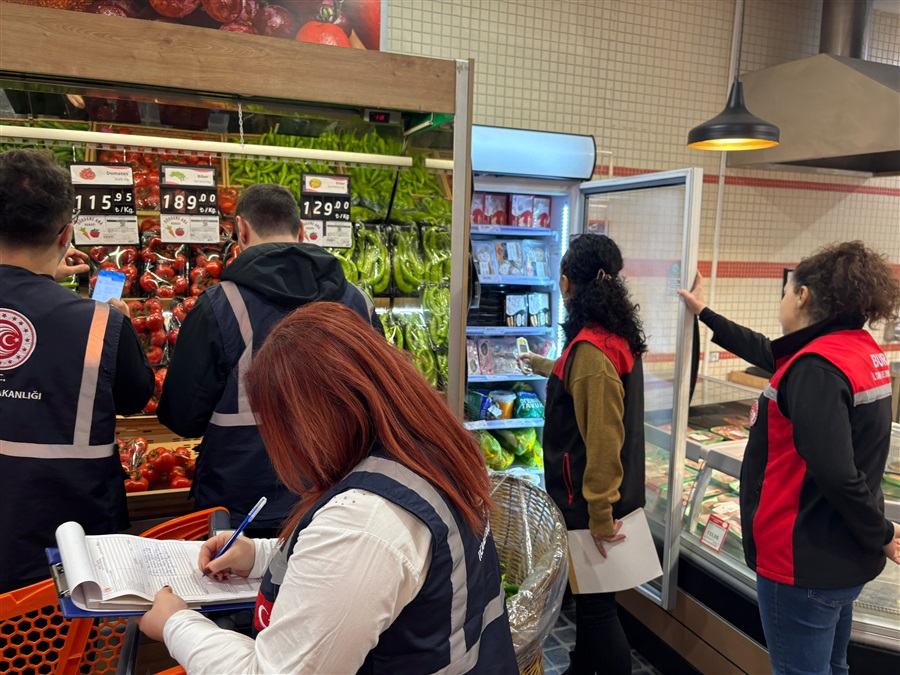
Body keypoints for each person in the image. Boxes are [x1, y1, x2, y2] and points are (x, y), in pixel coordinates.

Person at [139, 302, 518, 674]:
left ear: (310, 421)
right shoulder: (427, 452)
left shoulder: (365, 522)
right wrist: (257, 555)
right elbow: (364, 576)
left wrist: (175, 623)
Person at [678, 241, 900, 675]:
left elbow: (836, 473)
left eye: (785, 292)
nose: (782, 301)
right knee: (833, 667)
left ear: (802, 295)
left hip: (803, 560)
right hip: (841, 555)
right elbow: (769, 352)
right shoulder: (859, 350)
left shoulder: (816, 368)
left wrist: (884, 532)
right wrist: (704, 313)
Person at [157, 183, 382, 536]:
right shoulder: (359, 304)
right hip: (338, 502)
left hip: (242, 510)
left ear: (241, 229)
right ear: (302, 230)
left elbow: (182, 417)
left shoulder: (220, 306)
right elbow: (381, 403)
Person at [0, 148, 153, 592]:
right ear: (66, 234)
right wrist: (119, 328)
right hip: (67, 559)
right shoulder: (102, 323)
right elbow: (134, 398)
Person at [520, 234, 646, 675]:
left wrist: (600, 515)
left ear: (566, 282)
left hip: (589, 505)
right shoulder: (608, 338)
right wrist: (540, 364)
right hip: (597, 501)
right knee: (594, 605)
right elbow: (580, 379)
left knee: (597, 612)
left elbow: (603, 441)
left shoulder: (592, 352)